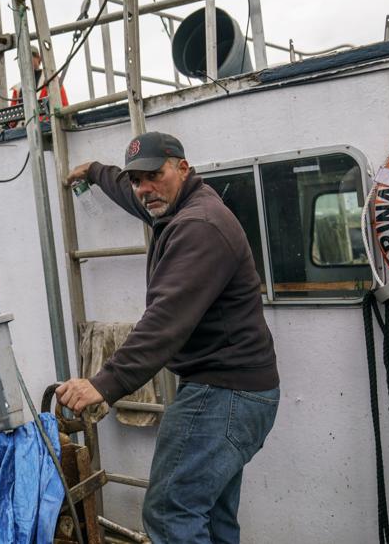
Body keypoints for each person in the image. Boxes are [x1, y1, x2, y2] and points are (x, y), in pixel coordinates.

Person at [56, 131, 279, 544]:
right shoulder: (179, 206)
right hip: (242, 390)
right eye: (137, 179)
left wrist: (102, 384)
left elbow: (165, 320)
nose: (145, 189)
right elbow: (132, 193)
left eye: (154, 175)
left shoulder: (199, 226)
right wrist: (96, 172)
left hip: (222, 394)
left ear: (182, 168)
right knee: (211, 516)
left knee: (170, 511)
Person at [9, 45, 68, 123]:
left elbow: (64, 106)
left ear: (38, 58)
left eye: (29, 57)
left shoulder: (51, 79)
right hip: (24, 131)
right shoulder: (18, 88)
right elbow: (11, 120)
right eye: (21, 59)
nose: (24, 62)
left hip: (47, 127)